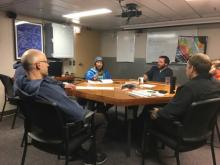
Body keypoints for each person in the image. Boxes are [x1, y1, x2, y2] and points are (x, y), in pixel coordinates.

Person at [14, 49, 107, 165]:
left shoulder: (20, 84)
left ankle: (77, 152)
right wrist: (84, 112)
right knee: (101, 118)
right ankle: (92, 157)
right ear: (38, 65)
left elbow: (48, 81)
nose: (48, 65)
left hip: (39, 129)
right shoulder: (48, 90)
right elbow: (77, 115)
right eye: (46, 62)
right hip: (62, 133)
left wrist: (62, 84)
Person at [141, 53, 220, 154]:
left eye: (187, 67)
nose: (185, 70)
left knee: (149, 112)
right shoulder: (217, 85)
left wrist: (157, 111)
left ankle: (147, 150)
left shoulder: (189, 88)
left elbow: (168, 114)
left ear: (192, 68)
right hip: (204, 131)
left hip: (182, 131)